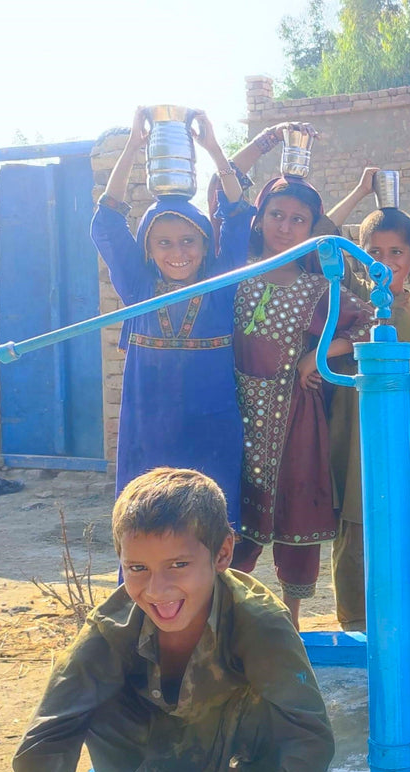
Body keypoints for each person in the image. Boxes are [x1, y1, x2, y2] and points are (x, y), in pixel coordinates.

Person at [13, 468, 335, 772]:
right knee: (90, 689)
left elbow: (311, 739)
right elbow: (39, 746)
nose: (157, 589)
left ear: (222, 554)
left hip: (236, 737)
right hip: (155, 746)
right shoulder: (111, 630)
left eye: (178, 564)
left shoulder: (260, 623)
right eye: (137, 568)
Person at [91, 107, 250, 526]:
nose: (177, 253)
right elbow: (107, 223)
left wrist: (215, 149)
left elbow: (237, 216)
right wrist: (132, 146)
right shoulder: (138, 288)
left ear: (204, 243)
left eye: (188, 241)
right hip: (148, 426)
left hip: (211, 425)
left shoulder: (221, 283)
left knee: (210, 527)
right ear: (147, 248)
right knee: (147, 522)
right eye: (163, 243)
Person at [231, 176, 372, 629]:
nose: (285, 227)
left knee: (295, 514)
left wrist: (319, 353)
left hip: (297, 420)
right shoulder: (234, 275)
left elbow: (372, 320)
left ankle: (290, 626)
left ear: (312, 228)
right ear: (258, 218)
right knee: (234, 515)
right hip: (235, 417)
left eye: (298, 220)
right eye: (276, 215)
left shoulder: (317, 288)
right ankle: (228, 617)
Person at [327, 202, 410, 630]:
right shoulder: (348, 308)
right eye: (375, 252)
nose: (386, 262)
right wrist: (357, 191)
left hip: (409, 440)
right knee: (354, 524)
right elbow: (320, 233)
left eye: (397, 252)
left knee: (406, 525)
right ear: (359, 254)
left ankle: (403, 623)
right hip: (352, 439)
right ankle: (355, 624)